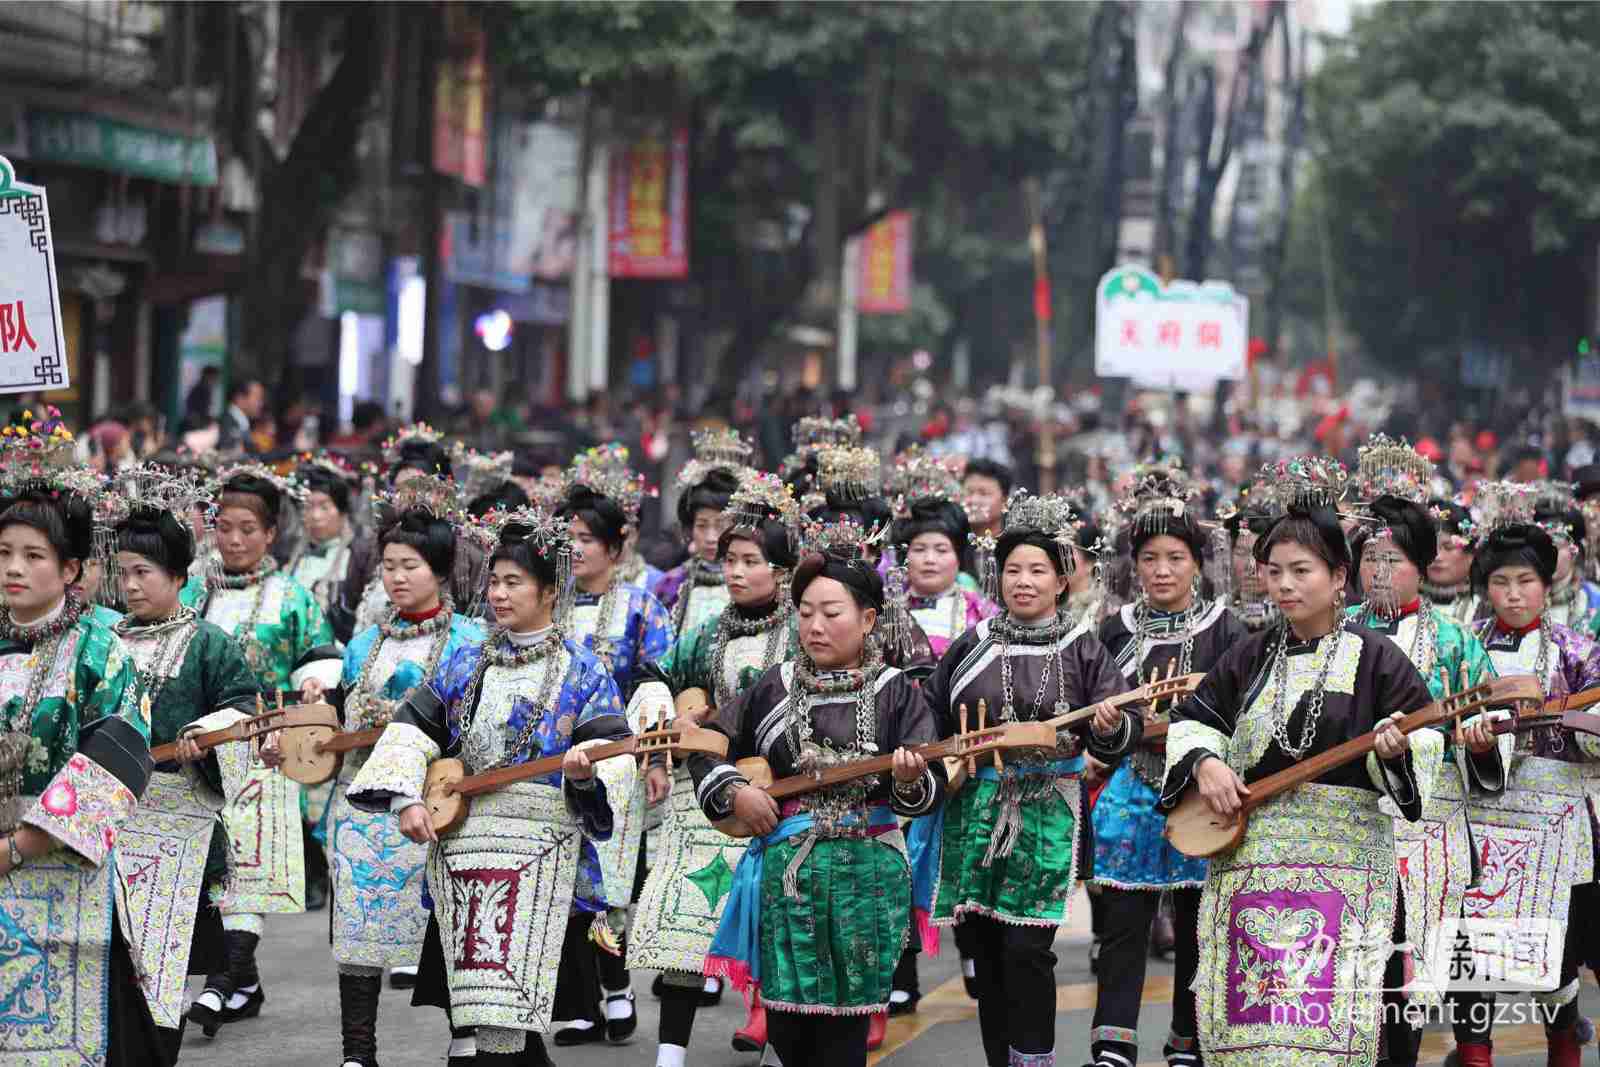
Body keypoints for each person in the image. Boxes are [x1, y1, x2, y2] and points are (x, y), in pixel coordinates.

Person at [1158, 458, 1435, 1067]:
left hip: (1350, 865)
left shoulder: (1378, 659)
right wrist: (1206, 763)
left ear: (1340, 578)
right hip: (1252, 858)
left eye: (1302, 571)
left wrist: (1398, 750)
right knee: (1254, 1024)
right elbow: (1194, 722)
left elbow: (1428, 741)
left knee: (1350, 1020)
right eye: (1274, 571)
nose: (1285, 584)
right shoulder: (1246, 655)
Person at [348, 505, 630, 1067]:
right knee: (481, 1009)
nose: (499, 594)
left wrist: (588, 771)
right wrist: (406, 798)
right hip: (465, 845)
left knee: (511, 1011)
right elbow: (412, 727)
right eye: (494, 581)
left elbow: (616, 753)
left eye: (514, 582)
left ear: (551, 591)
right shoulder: (467, 661)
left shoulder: (583, 669)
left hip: (541, 852)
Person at [689, 519, 945, 1067]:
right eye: (805, 613)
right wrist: (735, 792)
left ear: (868, 619)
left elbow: (929, 785)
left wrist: (909, 781)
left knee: (845, 1028)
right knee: (786, 1020)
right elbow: (706, 745)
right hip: (788, 873)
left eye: (832, 614)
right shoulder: (774, 685)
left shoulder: (895, 692)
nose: (816, 626)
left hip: (868, 876)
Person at [925, 491, 1141, 1067]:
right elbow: (931, 716)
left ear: (1061, 580)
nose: (1024, 581)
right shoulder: (973, 646)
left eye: (1037, 570)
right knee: (988, 951)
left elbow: (1124, 721)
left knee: (1027, 947)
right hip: (976, 808)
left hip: (1048, 807)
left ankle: (1034, 1057)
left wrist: (1109, 725)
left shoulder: (1082, 647)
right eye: (1013, 569)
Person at [308, 482, 483, 1067]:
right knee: (355, 934)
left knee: (451, 927)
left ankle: (466, 1039)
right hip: (361, 810)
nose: (397, 577)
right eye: (388, 566)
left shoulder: (471, 642)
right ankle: (358, 1051)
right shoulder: (362, 644)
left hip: (438, 807)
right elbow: (337, 718)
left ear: (439, 570)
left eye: (410, 566)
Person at [631, 470, 800, 1066]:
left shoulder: (805, 633)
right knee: (683, 929)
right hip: (701, 797)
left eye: (749, 560)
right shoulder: (706, 635)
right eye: (729, 559)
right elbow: (654, 674)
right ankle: (670, 1054)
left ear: (782, 572)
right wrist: (670, 715)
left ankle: (779, 1043)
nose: (733, 571)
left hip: (775, 795)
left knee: (777, 928)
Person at [0, 412, 153, 1065]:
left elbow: (114, 766)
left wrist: (15, 847)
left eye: (33, 556)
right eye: (3, 552)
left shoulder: (101, 652)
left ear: (70, 570)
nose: (14, 568)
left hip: (61, 867)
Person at [1342, 448, 1502, 1067]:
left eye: (1395, 560)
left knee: (1409, 973)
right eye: (1370, 559)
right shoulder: (1336, 632)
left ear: (1423, 565)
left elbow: (1491, 726)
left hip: (1428, 830)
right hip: (1350, 824)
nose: (1380, 572)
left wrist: (1485, 744)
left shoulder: (1457, 640)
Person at [1088, 467, 1248, 1067]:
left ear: (1197, 564)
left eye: (1175, 558)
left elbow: (1236, 714)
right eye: (1150, 558)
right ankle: (1112, 1043)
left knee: (1196, 924)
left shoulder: (1226, 631)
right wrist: (1103, 730)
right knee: (1123, 922)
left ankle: (1188, 1037)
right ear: (1134, 564)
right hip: (1134, 788)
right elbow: (1095, 732)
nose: (1161, 570)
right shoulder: (1112, 632)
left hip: (1200, 793)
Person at [106, 465, 263, 1060]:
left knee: (161, 961)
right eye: (123, 574)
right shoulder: (104, 640)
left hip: (176, 822)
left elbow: (242, 707)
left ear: (177, 576)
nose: (132, 586)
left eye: (144, 573)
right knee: (112, 956)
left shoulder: (207, 643)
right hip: (109, 819)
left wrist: (203, 732)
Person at [181, 465, 335, 1036]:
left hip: (265, 751)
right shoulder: (191, 592)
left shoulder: (293, 597)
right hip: (200, 753)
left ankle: (222, 984)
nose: (234, 539)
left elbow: (320, 662)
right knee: (210, 873)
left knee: (250, 873)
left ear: (271, 533)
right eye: (224, 527)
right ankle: (244, 982)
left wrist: (317, 687)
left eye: (248, 528)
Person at [1449, 483, 1600, 1067]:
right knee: (1471, 949)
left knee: (1555, 955)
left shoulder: (1576, 650)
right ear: (1484, 587)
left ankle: (1564, 1051)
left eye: (1526, 581)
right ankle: (1475, 1056)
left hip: (1557, 821)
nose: (1513, 594)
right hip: (1478, 815)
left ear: (1546, 584)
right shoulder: (1464, 647)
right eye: (1500, 582)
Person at [549, 481, 675, 1046]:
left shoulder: (642, 608)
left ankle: (617, 988)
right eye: (567, 539)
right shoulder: (545, 604)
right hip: (551, 762)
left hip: (617, 766)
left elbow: (657, 688)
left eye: (586, 539)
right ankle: (578, 1002)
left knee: (608, 885)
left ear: (615, 547)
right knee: (560, 886)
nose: (576, 549)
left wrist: (652, 758)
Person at [652, 428, 753, 635]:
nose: (710, 538)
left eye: (721, 525)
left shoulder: (754, 583)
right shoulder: (670, 585)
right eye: (702, 525)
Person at [287, 455, 360, 634]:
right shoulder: (290, 555)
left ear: (342, 513)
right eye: (309, 507)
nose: (316, 516)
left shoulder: (357, 557)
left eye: (324, 507)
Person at [1424, 496, 1482, 625]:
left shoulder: (1485, 609)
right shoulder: (1401, 602)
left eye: (1448, 547)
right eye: (1429, 546)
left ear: (1471, 554)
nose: (1437, 556)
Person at [962, 457, 1012, 543]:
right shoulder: (952, 543)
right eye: (969, 492)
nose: (974, 500)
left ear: (1005, 501)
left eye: (984, 494)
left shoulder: (1015, 547)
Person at [220, 378, 265, 454]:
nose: (261, 404)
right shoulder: (227, 423)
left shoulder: (239, 422)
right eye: (258, 398)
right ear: (240, 398)